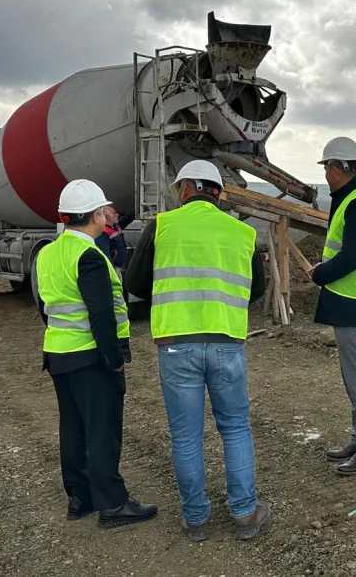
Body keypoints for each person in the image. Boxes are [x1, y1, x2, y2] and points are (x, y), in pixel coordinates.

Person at [126, 159, 270, 543]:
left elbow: (136, 283)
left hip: (176, 344)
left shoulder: (163, 226)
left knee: (186, 436)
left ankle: (196, 519)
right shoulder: (242, 233)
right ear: (218, 193)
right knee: (235, 428)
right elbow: (256, 290)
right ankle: (244, 513)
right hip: (226, 342)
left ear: (186, 188)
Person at [33, 179, 158, 528]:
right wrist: (114, 359)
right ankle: (113, 505)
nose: (108, 214)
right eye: (104, 209)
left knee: (73, 428)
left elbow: (45, 306)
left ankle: (80, 497)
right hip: (90, 357)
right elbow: (101, 314)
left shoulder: (48, 253)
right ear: (95, 216)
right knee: (102, 430)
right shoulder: (89, 255)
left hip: (58, 354)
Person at [308, 136, 356, 474]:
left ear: (339, 169)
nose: (325, 173)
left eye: (327, 167)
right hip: (351, 303)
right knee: (353, 379)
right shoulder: (352, 199)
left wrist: (319, 274)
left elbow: (352, 258)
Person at [95, 206, 136, 273]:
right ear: (108, 217)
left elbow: (127, 218)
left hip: (119, 267)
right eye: (114, 213)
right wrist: (112, 269)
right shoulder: (103, 233)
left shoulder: (115, 226)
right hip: (113, 269)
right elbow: (104, 254)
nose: (117, 215)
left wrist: (138, 208)